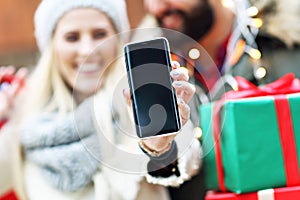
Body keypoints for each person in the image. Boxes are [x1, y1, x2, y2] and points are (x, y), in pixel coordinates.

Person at [1, 0, 202, 199]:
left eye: (100, 34)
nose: (87, 50)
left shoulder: (140, 104)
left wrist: (160, 148)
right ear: (52, 47)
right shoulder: (26, 122)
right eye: (72, 37)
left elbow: (188, 159)